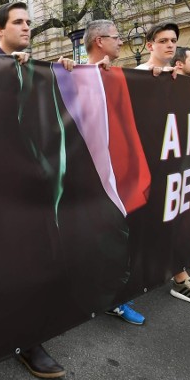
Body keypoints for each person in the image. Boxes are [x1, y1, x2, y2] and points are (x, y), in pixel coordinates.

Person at [0, 1, 69, 375]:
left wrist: (69, 73)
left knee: (33, 261)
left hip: (32, 185)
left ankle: (27, 339)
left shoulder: (38, 70)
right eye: (18, 22)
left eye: (28, 22)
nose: (26, 28)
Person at [135, 23, 190, 307]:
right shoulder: (139, 76)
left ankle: (178, 274)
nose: (169, 45)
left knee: (173, 218)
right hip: (149, 165)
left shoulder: (182, 80)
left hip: (176, 161)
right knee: (161, 220)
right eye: (163, 41)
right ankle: (178, 278)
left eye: (173, 40)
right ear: (150, 46)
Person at [80, 19, 148, 323]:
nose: (121, 42)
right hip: (90, 175)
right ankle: (110, 297)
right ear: (99, 41)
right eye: (116, 37)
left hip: (119, 172)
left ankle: (113, 296)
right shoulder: (75, 76)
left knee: (116, 236)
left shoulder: (119, 76)